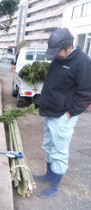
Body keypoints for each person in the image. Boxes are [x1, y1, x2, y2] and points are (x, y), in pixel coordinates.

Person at [36, 28, 91, 198]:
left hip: (63, 115)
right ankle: (48, 175)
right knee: (49, 145)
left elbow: (86, 93)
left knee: (59, 150)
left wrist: (70, 113)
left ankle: (54, 185)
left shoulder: (82, 62)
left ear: (68, 47)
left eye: (58, 51)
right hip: (50, 111)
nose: (55, 55)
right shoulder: (59, 59)